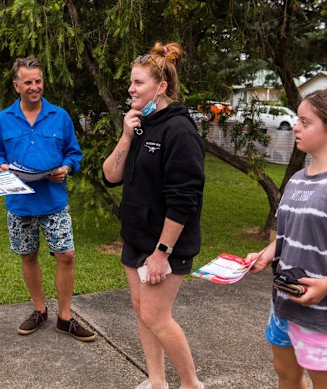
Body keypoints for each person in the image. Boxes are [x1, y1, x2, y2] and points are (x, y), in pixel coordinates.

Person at [246, 88, 327, 389]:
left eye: (306, 122)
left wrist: (326, 285)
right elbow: (289, 235)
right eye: (297, 120)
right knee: (287, 378)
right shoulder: (297, 178)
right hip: (285, 305)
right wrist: (267, 254)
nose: (296, 127)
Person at [102, 43, 205, 389]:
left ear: (161, 87)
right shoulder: (142, 125)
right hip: (138, 237)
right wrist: (127, 134)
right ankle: (156, 381)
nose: (130, 89)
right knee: (141, 309)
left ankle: (191, 384)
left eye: (138, 83)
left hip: (164, 244)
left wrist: (162, 253)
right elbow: (110, 176)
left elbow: (184, 199)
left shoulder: (179, 131)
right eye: (130, 83)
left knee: (156, 316)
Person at [0, 56, 95, 342]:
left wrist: (66, 168)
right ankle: (39, 310)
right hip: (20, 202)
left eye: (38, 81)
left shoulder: (59, 116)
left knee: (66, 255)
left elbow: (74, 153)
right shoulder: (3, 120)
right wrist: (1, 166)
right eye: (28, 82)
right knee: (29, 255)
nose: (34, 87)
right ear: (16, 85)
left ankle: (65, 317)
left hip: (54, 200)